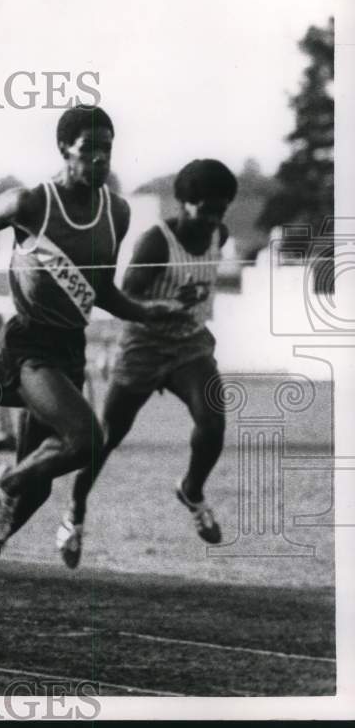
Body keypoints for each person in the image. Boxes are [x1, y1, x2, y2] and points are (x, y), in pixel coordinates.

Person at [0, 105, 186, 620]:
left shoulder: (117, 212)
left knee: (37, 493)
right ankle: (7, 480)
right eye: (89, 149)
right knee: (86, 440)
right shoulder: (32, 202)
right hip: (27, 349)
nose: (100, 158)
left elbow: (102, 290)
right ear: (65, 150)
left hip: (69, 349)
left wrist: (149, 313)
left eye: (107, 148)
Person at [55, 158, 237, 568]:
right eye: (205, 208)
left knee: (213, 421)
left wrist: (186, 310)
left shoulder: (218, 235)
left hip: (189, 346)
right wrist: (167, 306)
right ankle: (75, 512)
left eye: (220, 210)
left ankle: (191, 489)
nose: (213, 219)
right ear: (183, 203)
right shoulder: (156, 243)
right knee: (104, 439)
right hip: (144, 347)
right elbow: (126, 301)